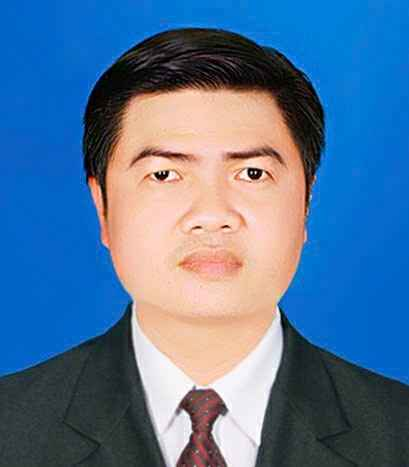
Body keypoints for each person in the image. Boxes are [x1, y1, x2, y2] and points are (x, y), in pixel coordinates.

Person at [0, 27, 408, 467]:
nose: (212, 214)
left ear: (306, 203)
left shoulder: (397, 431)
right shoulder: (11, 429)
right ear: (103, 207)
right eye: (164, 175)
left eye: (252, 174)